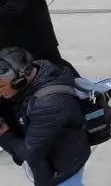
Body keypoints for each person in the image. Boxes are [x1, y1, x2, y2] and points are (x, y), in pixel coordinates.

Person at [0, 47, 87, 186]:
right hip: (49, 152)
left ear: (19, 81)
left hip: (61, 169)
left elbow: (30, 152)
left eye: (1, 86)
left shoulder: (48, 104)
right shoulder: (36, 70)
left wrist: (4, 134)